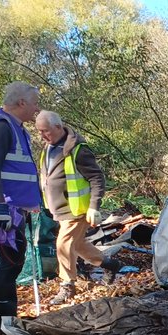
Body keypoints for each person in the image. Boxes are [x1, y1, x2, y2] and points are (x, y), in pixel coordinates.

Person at [0, 81, 43, 332]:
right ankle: (3, 321)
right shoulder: (2, 127)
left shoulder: (15, 127)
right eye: (34, 103)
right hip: (3, 209)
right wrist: (0, 208)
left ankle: (7, 318)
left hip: (15, 208)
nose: (36, 109)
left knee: (14, 261)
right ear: (21, 103)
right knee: (10, 262)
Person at [34, 111, 120, 305]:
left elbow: (97, 178)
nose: (42, 135)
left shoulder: (77, 149)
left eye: (45, 131)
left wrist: (93, 207)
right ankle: (109, 264)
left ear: (58, 126)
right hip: (59, 208)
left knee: (63, 244)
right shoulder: (48, 148)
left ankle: (67, 285)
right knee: (77, 244)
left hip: (77, 209)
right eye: (39, 131)